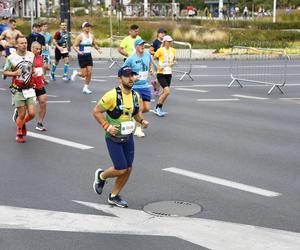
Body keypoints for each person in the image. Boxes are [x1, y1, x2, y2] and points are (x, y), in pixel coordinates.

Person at [92, 66, 149, 208]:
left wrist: (141, 121)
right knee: (121, 168)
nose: (131, 78)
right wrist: (107, 126)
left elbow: (135, 113)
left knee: (128, 168)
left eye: (132, 75)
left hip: (128, 137)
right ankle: (101, 176)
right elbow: (96, 111)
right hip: (113, 137)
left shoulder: (136, 95)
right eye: (127, 76)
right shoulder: (111, 95)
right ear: (120, 79)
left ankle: (114, 195)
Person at [3, 35, 35, 143]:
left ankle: (21, 123)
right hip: (17, 88)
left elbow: (32, 67)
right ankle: (19, 131)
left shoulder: (31, 55)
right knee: (21, 114)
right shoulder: (11, 57)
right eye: (21, 43)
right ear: (16, 45)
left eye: (25, 43)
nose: (24, 45)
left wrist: (34, 72)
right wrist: (14, 73)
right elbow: (5, 72)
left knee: (31, 113)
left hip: (29, 88)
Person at [123, 38, 154, 137]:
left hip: (145, 86)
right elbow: (123, 70)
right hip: (135, 87)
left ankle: (133, 116)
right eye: (140, 45)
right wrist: (130, 79)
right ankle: (138, 129)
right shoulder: (131, 58)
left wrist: (151, 70)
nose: (142, 46)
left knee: (147, 108)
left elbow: (149, 66)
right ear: (136, 47)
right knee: (140, 108)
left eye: (143, 44)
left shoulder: (147, 55)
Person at [71, 22, 102, 94]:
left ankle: (86, 87)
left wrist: (98, 49)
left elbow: (94, 44)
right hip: (82, 56)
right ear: (83, 28)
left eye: (89, 26)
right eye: (86, 26)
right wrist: (78, 51)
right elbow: (74, 46)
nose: (88, 28)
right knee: (84, 74)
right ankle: (76, 73)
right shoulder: (80, 36)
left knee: (90, 72)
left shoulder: (92, 36)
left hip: (88, 56)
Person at [152, 35, 176, 117]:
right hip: (161, 73)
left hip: (169, 73)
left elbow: (174, 60)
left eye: (170, 41)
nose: (169, 43)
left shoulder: (173, 50)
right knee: (167, 91)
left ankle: (158, 108)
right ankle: (158, 108)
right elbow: (153, 59)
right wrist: (157, 66)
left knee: (165, 93)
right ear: (164, 42)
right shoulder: (160, 50)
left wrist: (174, 63)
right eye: (168, 41)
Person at [31, 41, 48, 131]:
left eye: (39, 49)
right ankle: (19, 113)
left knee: (43, 102)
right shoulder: (27, 57)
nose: (38, 50)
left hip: (39, 84)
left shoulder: (41, 58)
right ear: (32, 48)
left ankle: (40, 123)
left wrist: (44, 79)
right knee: (29, 107)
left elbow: (41, 70)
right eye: (36, 49)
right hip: (28, 84)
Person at [149, 28, 166, 96]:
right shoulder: (155, 42)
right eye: (162, 33)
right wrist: (157, 53)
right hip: (156, 60)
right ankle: (157, 90)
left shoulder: (164, 42)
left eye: (164, 33)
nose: (163, 34)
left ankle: (155, 83)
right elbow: (150, 51)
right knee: (160, 76)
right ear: (158, 34)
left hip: (162, 61)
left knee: (162, 76)